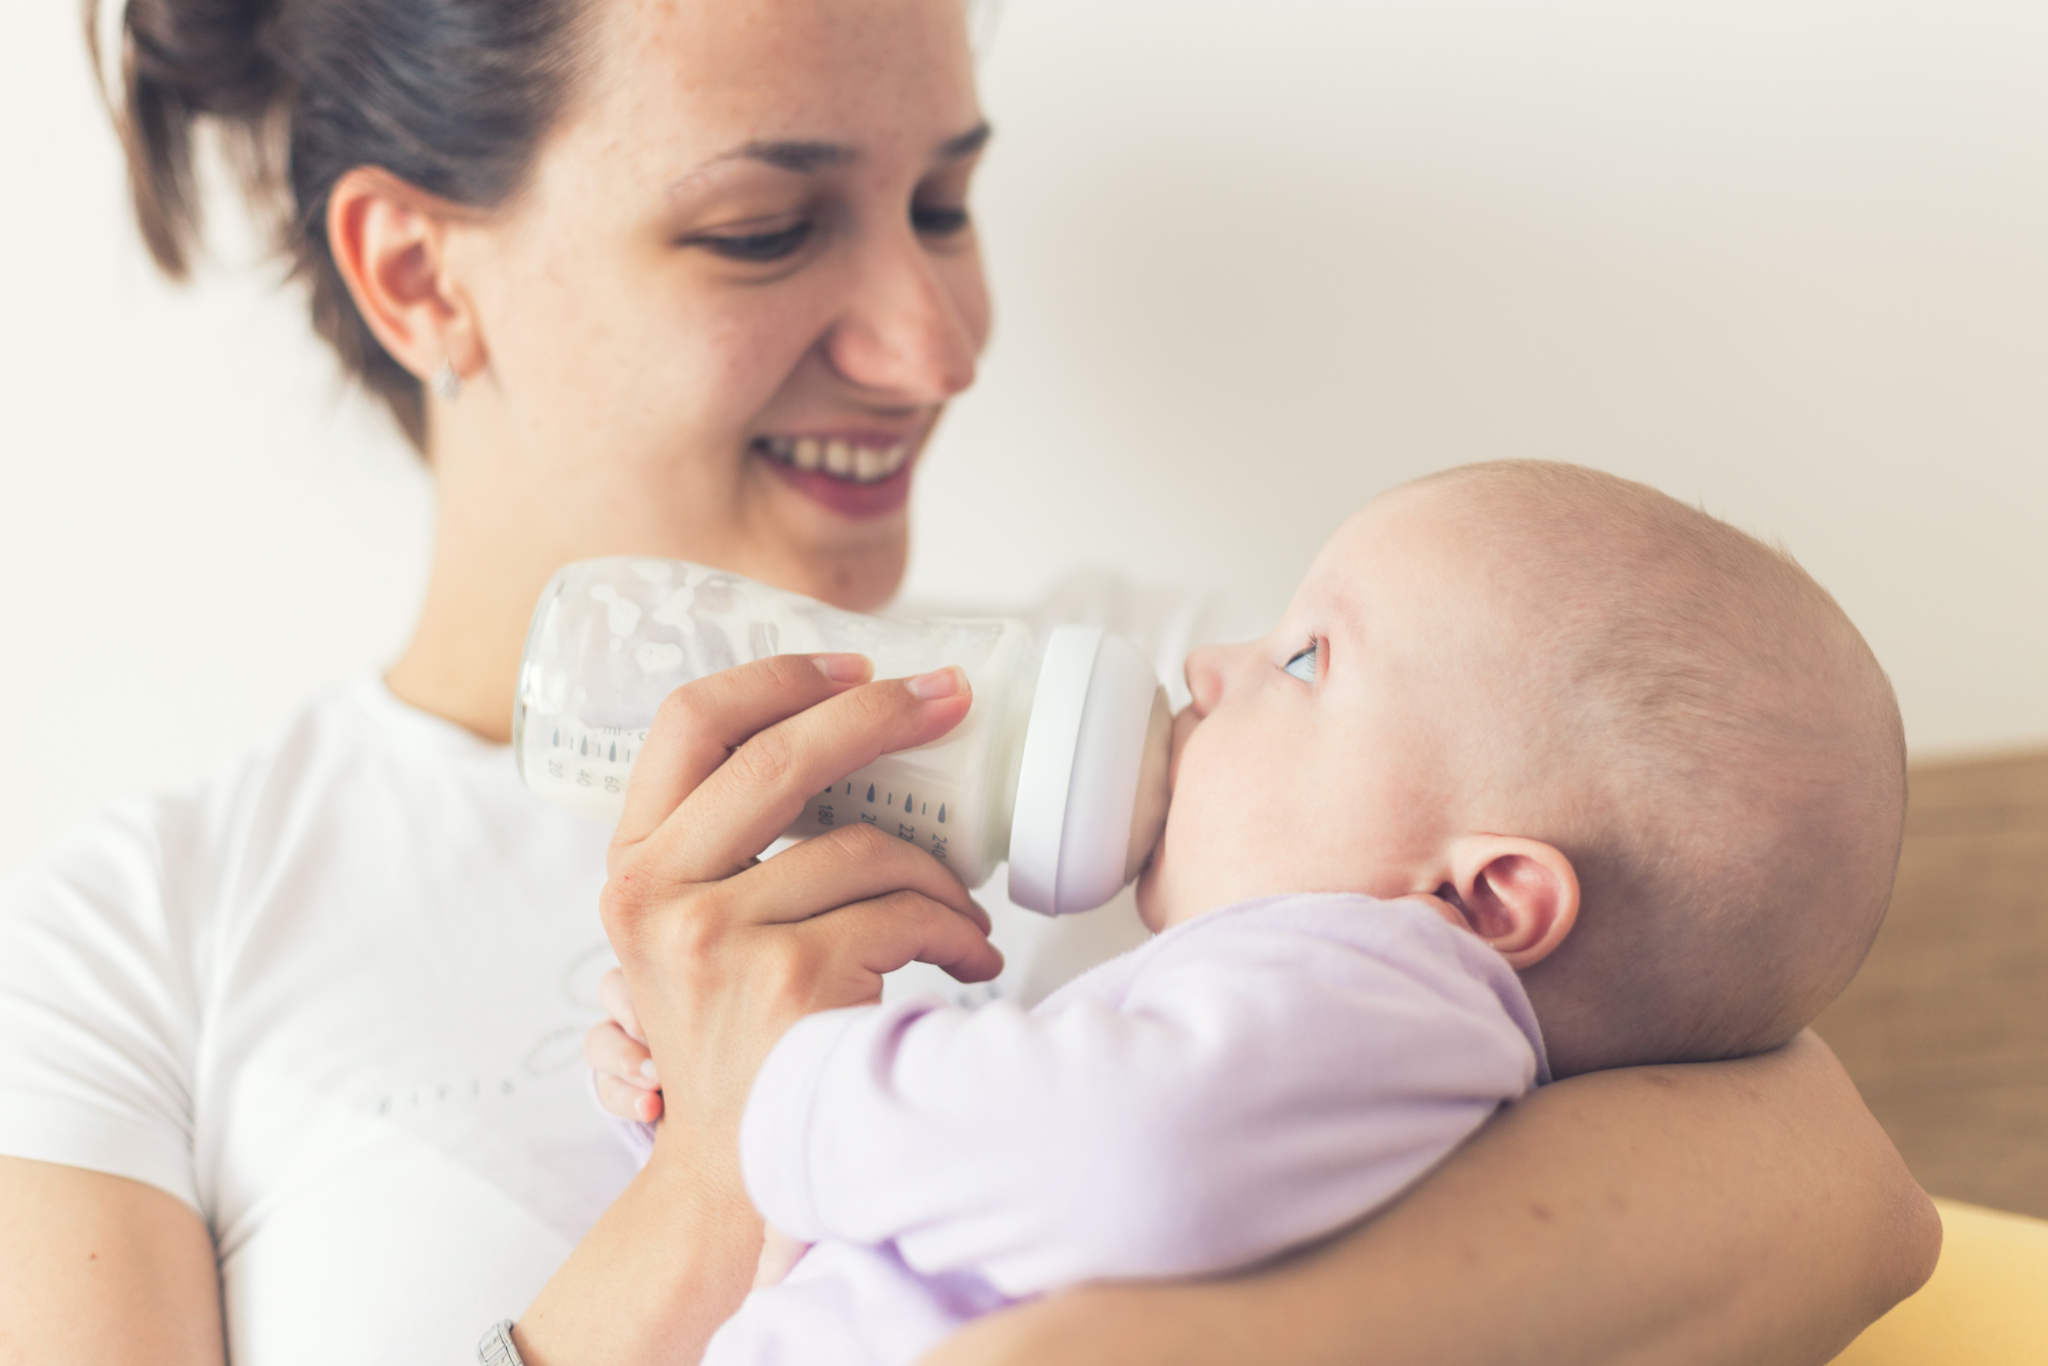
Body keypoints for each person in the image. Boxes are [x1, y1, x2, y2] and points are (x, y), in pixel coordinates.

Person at [0, 0, 1935, 1364]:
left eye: (945, 201)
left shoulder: (1228, 735)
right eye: (766, 226)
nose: (936, 344)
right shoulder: (138, 946)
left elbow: (1834, 1195)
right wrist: (696, 1202)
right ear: (420, 279)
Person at [582, 461, 1908, 1366]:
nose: (1213, 664)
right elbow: (1003, 1199)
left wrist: (782, 1090)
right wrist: (711, 1109)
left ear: (1488, 893)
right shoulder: (1314, 1022)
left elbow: (1128, 1154)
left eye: (1306, 658)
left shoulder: (1385, 979)